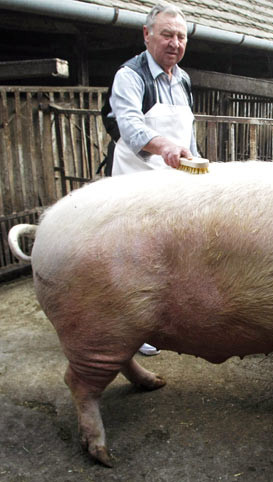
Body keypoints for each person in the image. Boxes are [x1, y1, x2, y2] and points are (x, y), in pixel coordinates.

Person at [103, 1, 198, 355]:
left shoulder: (184, 79)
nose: (175, 43)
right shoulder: (130, 76)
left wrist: (197, 161)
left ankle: (159, 320)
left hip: (171, 182)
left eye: (181, 36)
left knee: (167, 255)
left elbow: (187, 133)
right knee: (132, 257)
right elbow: (130, 126)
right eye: (167, 35)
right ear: (147, 35)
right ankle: (130, 328)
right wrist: (164, 147)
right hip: (136, 179)